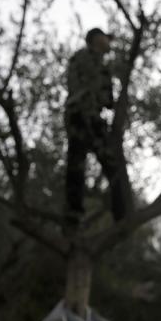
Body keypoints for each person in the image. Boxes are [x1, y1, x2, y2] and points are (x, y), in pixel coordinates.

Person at [64, 27, 129, 222]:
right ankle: (73, 215)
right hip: (80, 116)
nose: (109, 43)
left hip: (94, 118)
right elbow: (83, 89)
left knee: (111, 163)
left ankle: (121, 212)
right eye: (105, 39)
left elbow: (107, 101)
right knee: (76, 165)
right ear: (96, 39)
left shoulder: (103, 66)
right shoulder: (83, 58)